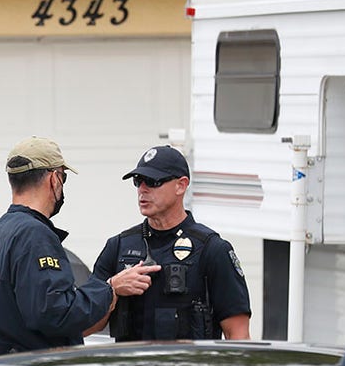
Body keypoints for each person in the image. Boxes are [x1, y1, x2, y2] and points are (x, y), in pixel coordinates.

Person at [0, 136, 159, 359]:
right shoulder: (34, 235)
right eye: (63, 178)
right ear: (54, 179)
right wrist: (110, 288)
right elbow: (55, 313)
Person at [93, 145, 251, 341]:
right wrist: (113, 288)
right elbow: (86, 325)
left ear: (181, 185)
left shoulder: (212, 249)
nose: (143, 189)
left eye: (152, 181)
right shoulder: (118, 246)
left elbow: (238, 334)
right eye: (138, 181)